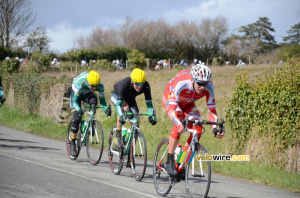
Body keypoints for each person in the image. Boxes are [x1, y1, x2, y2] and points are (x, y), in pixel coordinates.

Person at [162, 64, 224, 176]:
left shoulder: (209, 87)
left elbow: (212, 110)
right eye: (199, 83)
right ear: (192, 79)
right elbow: (172, 110)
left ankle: (181, 162)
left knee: (198, 129)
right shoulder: (182, 83)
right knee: (179, 124)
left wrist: (215, 129)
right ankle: (169, 161)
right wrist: (178, 123)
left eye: (205, 84)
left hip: (188, 103)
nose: (202, 87)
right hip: (171, 99)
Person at [111, 68, 157, 149]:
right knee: (125, 107)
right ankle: (118, 136)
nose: (139, 86)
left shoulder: (146, 86)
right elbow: (118, 105)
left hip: (130, 99)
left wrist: (151, 115)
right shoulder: (124, 83)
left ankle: (131, 151)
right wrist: (121, 116)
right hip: (117, 96)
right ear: (132, 81)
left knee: (136, 120)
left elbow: (149, 105)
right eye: (137, 83)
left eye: (141, 84)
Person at [69, 70, 111, 158]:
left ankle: (90, 122)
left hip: (86, 93)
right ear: (88, 82)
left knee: (94, 100)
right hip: (76, 94)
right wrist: (79, 109)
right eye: (92, 86)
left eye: (96, 86)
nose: (94, 88)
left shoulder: (100, 85)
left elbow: (102, 102)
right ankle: (72, 143)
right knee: (77, 118)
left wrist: (106, 110)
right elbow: (75, 101)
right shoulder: (81, 82)